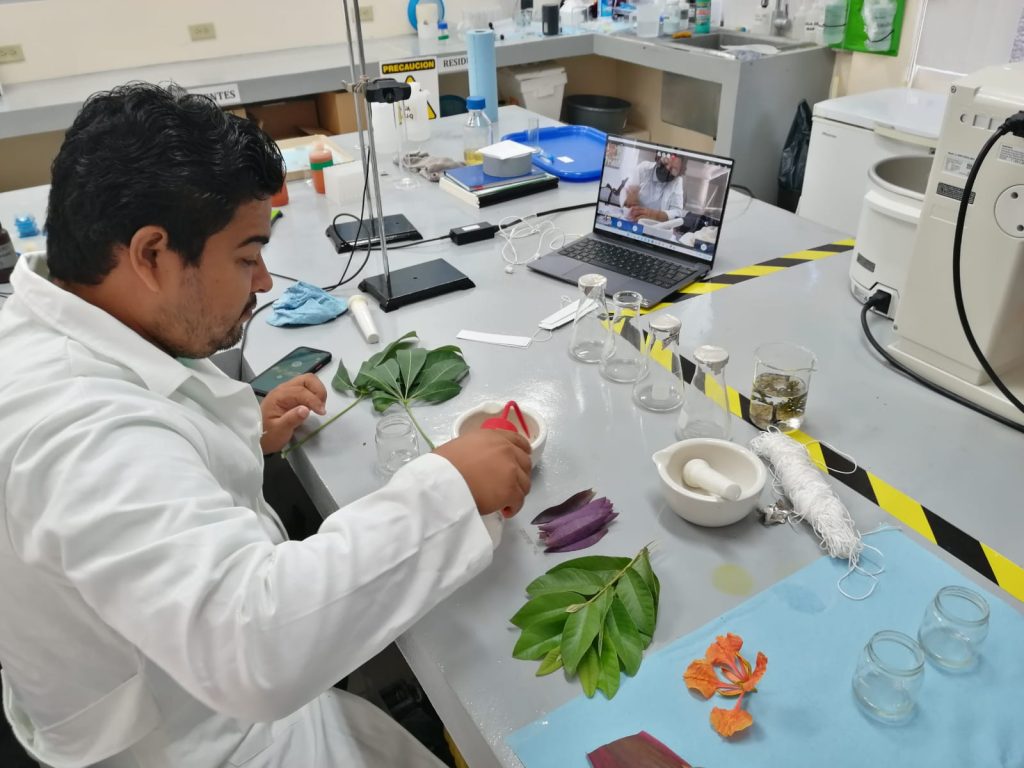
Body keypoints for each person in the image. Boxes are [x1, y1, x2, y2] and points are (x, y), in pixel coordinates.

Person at [0, 83, 532, 768]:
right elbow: (252, 646)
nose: (264, 285)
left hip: (175, 695)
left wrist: (237, 434)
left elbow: (141, 487)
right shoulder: (80, 431)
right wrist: (451, 487)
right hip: (197, 742)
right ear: (152, 254)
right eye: (247, 256)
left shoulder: (41, 323)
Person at [622, 153, 686, 223]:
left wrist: (656, 215)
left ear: (679, 172)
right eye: (666, 163)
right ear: (658, 160)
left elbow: (677, 212)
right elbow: (626, 193)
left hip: (657, 227)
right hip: (633, 221)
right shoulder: (643, 168)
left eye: (674, 169)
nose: (667, 168)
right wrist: (629, 198)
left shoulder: (677, 181)